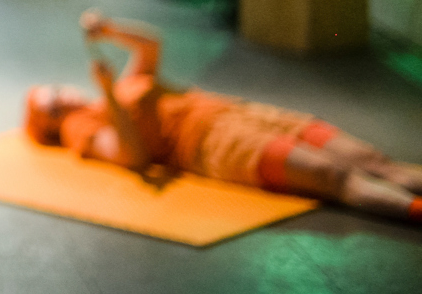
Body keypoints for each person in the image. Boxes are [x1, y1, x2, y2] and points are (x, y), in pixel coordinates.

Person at [25, 12, 422, 223]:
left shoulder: (123, 88)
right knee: (333, 176)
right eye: (54, 109)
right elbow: (134, 157)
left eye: (56, 92)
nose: (65, 100)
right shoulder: (84, 130)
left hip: (235, 111)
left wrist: (109, 29)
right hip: (213, 143)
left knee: (371, 159)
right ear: (54, 127)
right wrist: (110, 94)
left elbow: (151, 45)